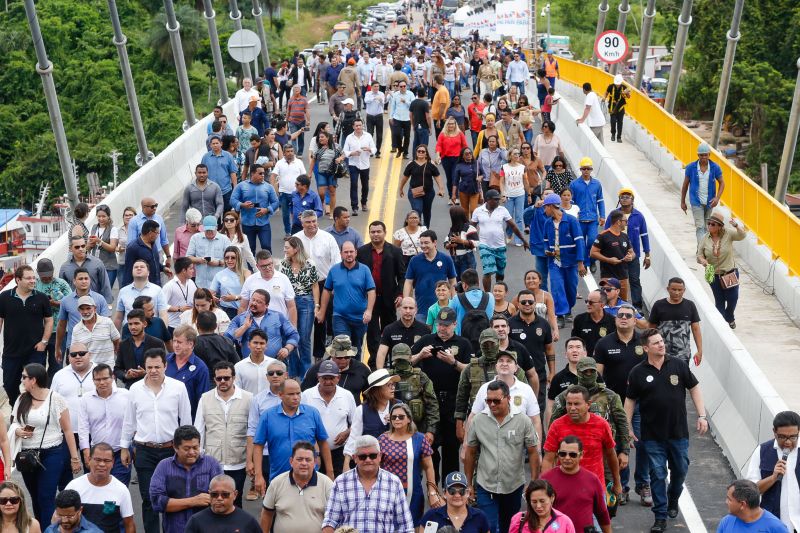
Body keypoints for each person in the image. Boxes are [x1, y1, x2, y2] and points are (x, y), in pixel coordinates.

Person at [625, 329, 709, 532]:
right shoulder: (638, 372)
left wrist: (702, 415)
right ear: (646, 348)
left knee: (680, 470)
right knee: (657, 474)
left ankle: (673, 498)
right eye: (656, 343)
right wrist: (627, 427)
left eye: (661, 341)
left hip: (678, 433)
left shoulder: (678, 364)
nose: (661, 345)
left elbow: (694, 387)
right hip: (652, 435)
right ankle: (660, 516)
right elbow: (630, 400)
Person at [120, 349, 192, 533]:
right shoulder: (135, 389)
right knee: (149, 498)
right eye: (149, 367)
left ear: (165, 366)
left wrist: (188, 450)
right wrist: (124, 447)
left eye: (157, 367)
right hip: (145, 451)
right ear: (144, 367)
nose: (153, 371)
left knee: (175, 496)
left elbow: (185, 421)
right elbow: (129, 421)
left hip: (171, 451)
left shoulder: (178, 388)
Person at [464, 380, 539, 533]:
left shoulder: (523, 420)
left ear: (508, 398)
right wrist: (469, 484)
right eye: (488, 400)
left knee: (509, 526)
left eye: (496, 401)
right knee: (488, 526)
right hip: (486, 484)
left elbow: (533, 451)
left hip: (513, 485)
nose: (492, 405)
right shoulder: (478, 420)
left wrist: (534, 480)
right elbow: (470, 452)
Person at [11, 363, 82, 524]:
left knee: (46, 496)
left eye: (24, 377)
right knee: (35, 497)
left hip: (52, 452)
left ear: (33, 380)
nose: (21, 380)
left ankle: (50, 529)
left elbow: (68, 430)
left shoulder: (55, 398)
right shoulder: (22, 398)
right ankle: (41, 527)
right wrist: (18, 431)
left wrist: (74, 457)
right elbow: (14, 422)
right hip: (27, 455)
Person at [322, 435, 415, 533]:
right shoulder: (340, 482)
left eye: (373, 455)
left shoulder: (394, 482)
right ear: (355, 458)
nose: (368, 460)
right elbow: (330, 521)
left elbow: (405, 526)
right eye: (362, 457)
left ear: (380, 456)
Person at [252, 378, 332, 493]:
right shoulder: (268, 416)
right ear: (280, 395)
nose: (296, 397)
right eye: (291, 394)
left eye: (298, 393)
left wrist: (330, 472)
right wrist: (258, 476)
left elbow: (323, 442)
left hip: (309, 477)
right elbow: (258, 446)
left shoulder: (312, 413)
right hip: (279, 477)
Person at [194, 361, 253, 508]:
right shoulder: (205, 398)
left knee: (235, 502)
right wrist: (198, 457)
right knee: (212, 502)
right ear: (214, 379)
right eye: (219, 378)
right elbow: (199, 430)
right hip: (212, 461)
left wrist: (251, 460)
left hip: (238, 461)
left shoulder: (248, 398)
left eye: (226, 378)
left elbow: (252, 430)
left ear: (234, 378)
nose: (222, 381)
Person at [542, 385, 620, 495]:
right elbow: (548, 460)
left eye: (577, 404)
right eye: (569, 404)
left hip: (595, 490)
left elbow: (611, 455)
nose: (572, 408)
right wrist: (546, 487)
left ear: (588, 404)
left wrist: (617, 482)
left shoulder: (602, 425)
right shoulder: (557, 426)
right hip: (565, 491)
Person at [150, 425, 223, 533]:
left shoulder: (211, 464)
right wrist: (193, 501)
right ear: (175, 447)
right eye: (187, 448)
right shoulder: (164, 466)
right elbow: (157, 502)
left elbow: (222, 497)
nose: (192, 452)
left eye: (195, 447)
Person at [0, 265, 54, 406]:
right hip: (11, 352)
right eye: (28, 278)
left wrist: (44, 342)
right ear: (18, 280)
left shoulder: (41, 298)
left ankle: (32, 411)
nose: (33, 281)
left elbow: (49, 321)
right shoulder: (4, 297)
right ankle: (16, 407)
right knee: (9, 385)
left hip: (35, 351)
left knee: (36, 385)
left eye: (33, 278)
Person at [378, 403, 438, 525]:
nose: (397, 419)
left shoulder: (420, 439)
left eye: (401, 416)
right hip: (387, 493)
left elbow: (429, 467)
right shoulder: (382, 439)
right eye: (393, 417)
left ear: (409, 419)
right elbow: (376, 467)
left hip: (413, 493)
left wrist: (432, 491)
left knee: (413, 525)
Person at [316, 241, 375, 359]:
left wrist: (369, 311)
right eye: (346, 252)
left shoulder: (364, 270)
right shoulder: (334, 270)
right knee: (342, 347)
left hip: (360, 318)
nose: (349, 254)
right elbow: (327, 291)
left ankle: (355, 375)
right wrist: (322, 311)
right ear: (341, 254)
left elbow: (371, 291)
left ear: (356, 253)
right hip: (340, 317)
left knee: (356, 349)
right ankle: (341, 375)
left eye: (351, 252)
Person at [356, 221, 404, 364]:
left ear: (385, 232)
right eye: (373, 232)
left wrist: (400, 294)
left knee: (389, 330)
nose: (375, 234)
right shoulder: (362, 251)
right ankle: (374, 362)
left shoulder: (395, 251)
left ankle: (389, 359)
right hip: (369, 300)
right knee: (372, 332)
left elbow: (402, 276)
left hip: (389, 298)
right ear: (369, 233)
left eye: (378, 231)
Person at [540, 436, 611, 533]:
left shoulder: (592, 480)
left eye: (572, 455)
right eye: (562, 454)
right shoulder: (546, 480)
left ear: (581, 455)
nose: (567, 458)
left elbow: (602, 514)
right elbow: (536, 513)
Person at [260, 443, 336, 532]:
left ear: (315, 462)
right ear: (291, 461)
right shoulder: (276, 483)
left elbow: (335, 518)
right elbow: (266, 515)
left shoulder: (327, 484)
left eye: (308, 460)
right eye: (299, 459)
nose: (304, 463)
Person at [745, 410, 800, 532]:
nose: (788, 442)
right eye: (782, 437)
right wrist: (772, 478)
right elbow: (750, 492)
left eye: (793, 437)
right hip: (771, 525)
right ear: (774, 432)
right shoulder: (762, 451)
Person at [300, 360, 356, 477]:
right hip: (313, 452)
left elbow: (355, 423)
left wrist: (347, 432)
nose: (328, 381)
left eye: (331, 378)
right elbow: (301, 425)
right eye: (324, 378)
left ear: (338, 378)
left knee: (338, 485)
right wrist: (316, 452)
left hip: (339, 452)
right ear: (318, 377)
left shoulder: (347, 395)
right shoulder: (306, 395)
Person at [78, 365, 132, 485]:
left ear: (113, 378)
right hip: (96, 453)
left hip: (119, 451)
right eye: (98, 380)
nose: (102, 382)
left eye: (105, 378)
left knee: (119, 488)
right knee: (97, 486)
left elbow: (132, 423)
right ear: (93, 381)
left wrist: (127, 448)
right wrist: (86, 452)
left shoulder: (126, 396)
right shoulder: (86, 400)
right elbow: (83, 428)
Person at [65, 442, 135, 533]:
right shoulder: (74, 487)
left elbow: (129, 524)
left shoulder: (121, 490)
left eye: (107, 461)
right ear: (89, 460)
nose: (102, 464)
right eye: (97, 460)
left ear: (113, 462)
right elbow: (59, 518)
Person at [541, 193, 587, 328]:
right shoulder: (547, 223)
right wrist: (547, 250)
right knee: (557, 287)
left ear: (551, 207)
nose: (544, 211)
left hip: (571, 261)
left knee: (571, 288)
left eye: (545, 207)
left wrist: (580, 263)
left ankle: (568, 309)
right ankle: (560, 314)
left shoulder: (571, 221)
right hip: (554, 261)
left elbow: (579, 242)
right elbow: (545, 241)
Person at [50, 342, 96, 472]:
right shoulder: (60, 375)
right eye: (73, 354)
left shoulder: (100, 371)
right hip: (65, 432)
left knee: (93, 469)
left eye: (82, 353)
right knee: (64, 470)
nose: (78, 357)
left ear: (89, 354)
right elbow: (52, 402)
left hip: (93, 432)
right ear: (68, 357)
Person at [697, 211, 747, 329]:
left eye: (713, 224)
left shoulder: (728, 234)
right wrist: (703, 260)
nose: (709, 226)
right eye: (708, 223)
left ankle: (729, 316)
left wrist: (736, 226)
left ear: (720, 226)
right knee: (719, 301)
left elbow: (742, 236)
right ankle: (721, 327)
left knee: (732, 298)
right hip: (713, 274)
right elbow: (699, 255)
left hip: (729, 273)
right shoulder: (705, 238)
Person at [342, 368, 401, 468]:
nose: (393, 388)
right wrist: (346, 462)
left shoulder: (399, 407)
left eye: (393, 384)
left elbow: (409, 433)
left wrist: (395, 423)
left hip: (395, 462)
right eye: (388, 385)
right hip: (370, 463)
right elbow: (354, 437)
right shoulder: (361, 410)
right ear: (377, 389)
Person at [605, 188, 651, 308]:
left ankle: (637, 307)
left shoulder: (639, 216)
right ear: (619, 200)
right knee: (615, 282)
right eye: (622, 197)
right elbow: (605, 233)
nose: (624, 199)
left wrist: (647, 255)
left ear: (632, 199)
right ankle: (616, 305)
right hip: (615, 255)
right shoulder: (613, 215)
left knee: (634, 280)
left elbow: (644, 236)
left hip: (633, 255)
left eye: (627, 197)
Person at [403, 230, 456, 323]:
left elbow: (452, 281)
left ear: (435, 242)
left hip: (442, 309)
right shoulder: (415, 260)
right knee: (421, 336)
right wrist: (406, 301)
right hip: (421, 310)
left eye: (426, 243)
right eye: (421, 243)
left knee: (442, 335)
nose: (423, 246)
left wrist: (454, 301)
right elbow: (408, 282)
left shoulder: (446, 259)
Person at [648, 277, 703, 365]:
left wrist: (700, 351)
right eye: (674, 289)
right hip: (661, 354)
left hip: (683, 356)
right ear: (668, 289)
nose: (677, 293)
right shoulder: (658, 305)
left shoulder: (690, 305)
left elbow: (696, 329)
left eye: (680, 290)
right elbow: (651, 330)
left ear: (684, 290)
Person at [681, 142, 725, 244]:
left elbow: (722, 183)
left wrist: (717, 198)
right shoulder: (691, 168)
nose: (704, 157)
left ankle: (704, 249)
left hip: (710, 202)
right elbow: (685, 185)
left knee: (707, 226)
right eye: (701, 155)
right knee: (700, 226)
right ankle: (701, 251)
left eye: (706, 155)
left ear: (709, 155)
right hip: (696, 202)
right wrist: (683, 202)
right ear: (698, 155)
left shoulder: (715, 167)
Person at [35, 259, 72, 381]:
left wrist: (55, 303)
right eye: (43, 277)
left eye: (49, 276)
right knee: (37, 365)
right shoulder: (34, 284)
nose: (46, 279)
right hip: (39, 331)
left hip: (59, 331)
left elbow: (71, 303)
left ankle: (52, 390)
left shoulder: (62, 284)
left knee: (56, 365)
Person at [419, 471, 491, 533]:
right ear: (444, 493)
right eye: (452, 491)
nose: (457, 495)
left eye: (462, 491)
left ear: (468, 493)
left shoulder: (479, 516)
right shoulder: (431, 516)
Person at [184, 474, 261, 532]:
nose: (219, 498)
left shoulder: (248, 521)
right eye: (214, 494)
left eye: (225, 494)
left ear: (235, 495)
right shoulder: (196, 521)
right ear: (209, 493)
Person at [231, 163, 279, 254]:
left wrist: (267, 210)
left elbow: (276, 202)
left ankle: (267, 267)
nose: (263, 176)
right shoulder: (241, 186)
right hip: (247, 223)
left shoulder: (268, 187)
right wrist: (242, 205)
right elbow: (232, 200)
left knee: (266, 247)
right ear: (252, 174)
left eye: (263, 174)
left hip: (264, 223)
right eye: (260, 173)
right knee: (250, 249)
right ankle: (252, 268)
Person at [166, 325, 212, 420]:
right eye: (174, 341)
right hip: (165, 419)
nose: (175, 345)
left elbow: (202, 400)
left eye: (179, 342)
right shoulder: (164, 361)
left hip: (187, 421)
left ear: (190, 344)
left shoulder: (200, 368)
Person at [114, 309, 165, 388]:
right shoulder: (123, 345)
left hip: (153, 387)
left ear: (144, 324)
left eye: (136, 323)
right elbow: (117, 369)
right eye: (130, 324)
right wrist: (126, 375)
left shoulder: (157, 343)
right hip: (131, 388)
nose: (133, 327)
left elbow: (163, 367)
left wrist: (147, 373)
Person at [569, 157, 605, 271]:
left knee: (592, 240)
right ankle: (584, 262)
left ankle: (592, 261)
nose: (586, 170)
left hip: (593, 219)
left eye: (588, 168)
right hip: (579, 219)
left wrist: (602, 215)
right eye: (584, 168)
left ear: (591, 169)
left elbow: (600, 200)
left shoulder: (597, 184)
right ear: (580, 169)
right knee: (581, 243)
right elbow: (571, 202)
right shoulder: (574, 184)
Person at [398, 145, 445, 228]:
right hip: (414, 192)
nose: (420, 153)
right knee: (417, 210)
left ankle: (426, 229)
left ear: (426, 154)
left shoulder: (431, 164)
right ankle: (418, 229)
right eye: (419, 151)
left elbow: (437, 176)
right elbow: (405, 178)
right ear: (416, 153)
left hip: (429, 193)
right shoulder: (411, 164)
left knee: (427, 212)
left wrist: (441, 189)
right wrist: (401, 189)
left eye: (423, 151)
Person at [717, 479, 789, 533]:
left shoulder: (776, 527)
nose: (726, 502)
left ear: (742, 504)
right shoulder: (726, 522)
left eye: (729, 499)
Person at [510, 479, 576, 533]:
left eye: (542, 501)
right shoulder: (519, 519)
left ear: (552, 497)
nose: (538, 506)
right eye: (534, 502)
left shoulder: (565, 521)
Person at [60, 237, 114, 303]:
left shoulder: (97, 263)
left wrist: (108, 304)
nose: (81, 249)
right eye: (77, 247)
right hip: (73, 306)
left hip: (94, 305)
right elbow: (61, 289)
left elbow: (105, 285)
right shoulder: (65, 267)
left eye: (83, 246)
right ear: (70, 249)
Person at [270, 143, 307, 236]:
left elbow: (304, 177)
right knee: (285, 215)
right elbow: (273, 175)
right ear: (284, 153)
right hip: (284, 194)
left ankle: (299, 232)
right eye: (288, 151)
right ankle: (288, 232)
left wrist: (305, 190)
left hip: (297, 193)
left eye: (291, 151)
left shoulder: (299, 162)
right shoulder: (279, 163)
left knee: (297, 214)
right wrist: (272, 188)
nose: (290, 153)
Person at [187, 215, 232, 289]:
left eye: (211, 230)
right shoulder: (195, 238)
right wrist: (200, 260)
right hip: (201, 284)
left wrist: (218, 263)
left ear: (216, 227)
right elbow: (188, 257)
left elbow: (232, 259)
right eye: (207, 230)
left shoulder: (224, 240)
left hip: (220, 284)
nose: (209, 232)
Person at [343, 118, 376, 214]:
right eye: (356, 126)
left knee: (365, 185)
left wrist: (369, 149)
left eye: (360, 125)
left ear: (362, 126)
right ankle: (354, 207)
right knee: (353, 185)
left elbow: (374, 149)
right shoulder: (349, 137)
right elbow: (345, 151)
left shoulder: (368, 136)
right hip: (353, 164)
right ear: (353, 127)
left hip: (365, 164)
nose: (358, 127)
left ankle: (364, 203)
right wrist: (352, 153)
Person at [570, 289, 616, 356]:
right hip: (586, 361)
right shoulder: (579, 319)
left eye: (591, 302)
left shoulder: (613, 321)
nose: (587, 304)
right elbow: (574, 342)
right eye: (586, 301)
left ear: (602, 305)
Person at [202, 136, 239, 214]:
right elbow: (202, 173)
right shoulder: (205, 157)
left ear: (221, 144)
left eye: (217, 143)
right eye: (213, 144)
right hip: (210, 191)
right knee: (214, 214)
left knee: (227, 213)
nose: (215, 145)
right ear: (210, 145)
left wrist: (235, 188)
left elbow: (233, 172)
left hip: (226, 190)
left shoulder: (228, 156)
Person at [121, 220, 162, 287]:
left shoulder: (153, 244)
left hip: (156, 286)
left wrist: (163, 268)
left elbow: (153, 261)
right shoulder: (133, 247)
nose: (158, 235)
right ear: (150, 233)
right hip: (143, 288)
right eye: (157, 233)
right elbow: (128, 271)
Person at [435, 118, 468, 203]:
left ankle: (455, 197)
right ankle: (451, 197)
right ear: (446, 125)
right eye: (449, 124)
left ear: (455, 125)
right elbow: (439, 146)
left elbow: (465, 146)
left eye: (452, 124)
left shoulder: (460, 134)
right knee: (449, 178)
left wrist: (466, 156)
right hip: (446, 159)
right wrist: (438, 155)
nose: (451, 125)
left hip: (457, 159)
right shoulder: (442, 134)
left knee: (455, 177)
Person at [161, 257, 197, 332]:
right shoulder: (169, 286)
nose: (193, 271)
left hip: (189, 325)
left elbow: (197, 297)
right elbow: (161, 305)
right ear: (184, 270)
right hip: (173, 326)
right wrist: (179, 309)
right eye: (191, 268)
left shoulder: (191, 282)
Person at [452, 147, 482, 218]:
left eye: (470, 153)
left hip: (475, 190)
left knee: (473, 210)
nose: (469, 154)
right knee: (465, 211)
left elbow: (483, 174)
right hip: (463, 191)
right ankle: (466, 226)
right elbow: (455, 181)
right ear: (463, 156)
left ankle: (473, 226)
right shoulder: (459, 166)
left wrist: (480, 177)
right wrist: (453, 194)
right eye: (466, 154)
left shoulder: (477, 163)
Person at [389, 79, 412, 159]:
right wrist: (390, 117)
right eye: (401, 86)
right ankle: (400, 149)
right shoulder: (396, 95)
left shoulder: (410, 94)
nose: (403, 88)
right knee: (397, 134)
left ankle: (405, 153)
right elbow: (393, 106)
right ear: (398, 87)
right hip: (397, 118)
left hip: (407, 119)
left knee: (407, 137)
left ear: (406, 86)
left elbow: (413, 105)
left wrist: (405, 101)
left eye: (404, 86)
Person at [605, 74, 631, 143]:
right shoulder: (610, 87)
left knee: (620, 122)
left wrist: (626, 93)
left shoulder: (624, 87)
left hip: (621, 107)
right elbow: (606, 93)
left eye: (618, 84)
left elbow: (629, 97)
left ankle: (619, 137)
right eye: (617, 84)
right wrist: (604, 98)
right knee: (613, 121)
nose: (618, 85)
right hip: (612, 106)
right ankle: (613, 134)